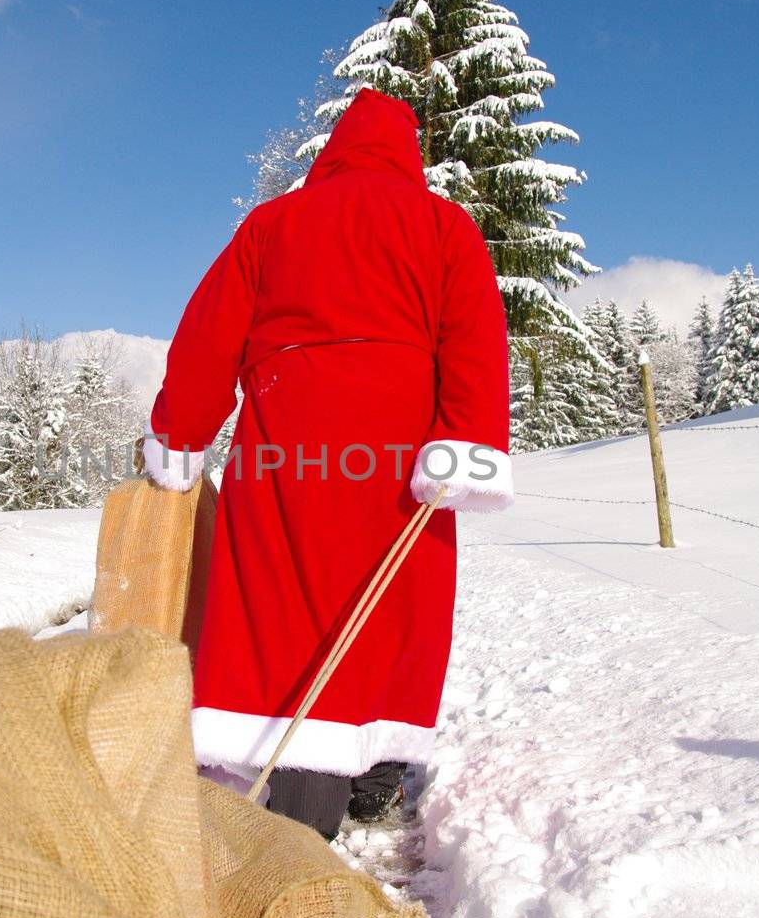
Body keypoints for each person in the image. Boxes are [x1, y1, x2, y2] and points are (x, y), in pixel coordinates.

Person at [145, 87, 513, 838]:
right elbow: (474, 339)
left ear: (331, 153)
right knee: (388, 605)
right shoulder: (444, 226)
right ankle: (373, 777)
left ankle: (286, 781)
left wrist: (180, 436)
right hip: (401, 444)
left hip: (286, 438)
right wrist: (466, 436)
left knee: (277, 602)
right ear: (407, 157)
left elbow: (208, 338)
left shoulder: (272, 223)